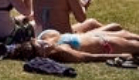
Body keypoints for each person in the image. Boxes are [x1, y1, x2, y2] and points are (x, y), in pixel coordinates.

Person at [8, 26, 139, 63]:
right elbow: (88, 57)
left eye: (40, 44)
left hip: (95, 36)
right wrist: (121, 55)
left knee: (122, 30)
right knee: (134, 44)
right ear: (42, 57)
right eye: (41, 50)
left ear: (34, 39)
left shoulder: (46, 37)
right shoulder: (62, 50)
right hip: (107, 45)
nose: (45, 45)